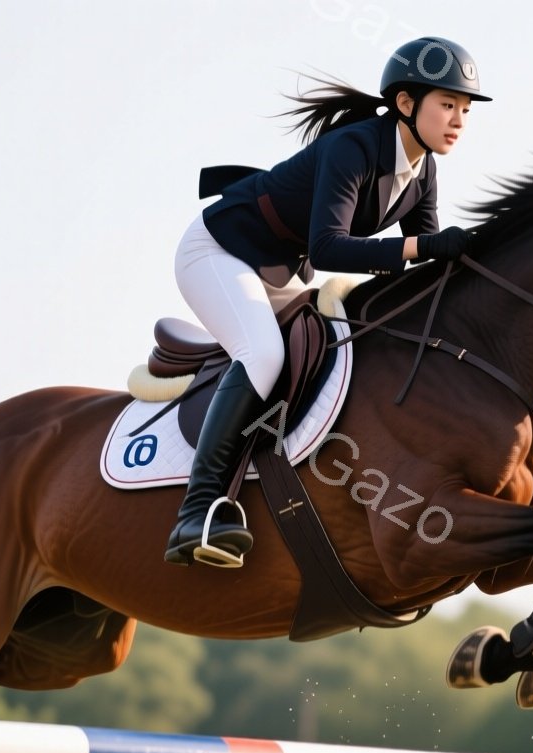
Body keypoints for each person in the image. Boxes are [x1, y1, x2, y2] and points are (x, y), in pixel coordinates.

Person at [165, 36, 489, 568]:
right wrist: (419, 246)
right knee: (264, 354)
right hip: (218, 251)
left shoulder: (423, 170)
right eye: (447, 105)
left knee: (328, 348)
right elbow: (330, 246)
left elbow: (428, 263)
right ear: (406, 105)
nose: (458, 119)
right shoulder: (355, 147)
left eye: (466, 109)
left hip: (277, 268)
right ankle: (196, 510)